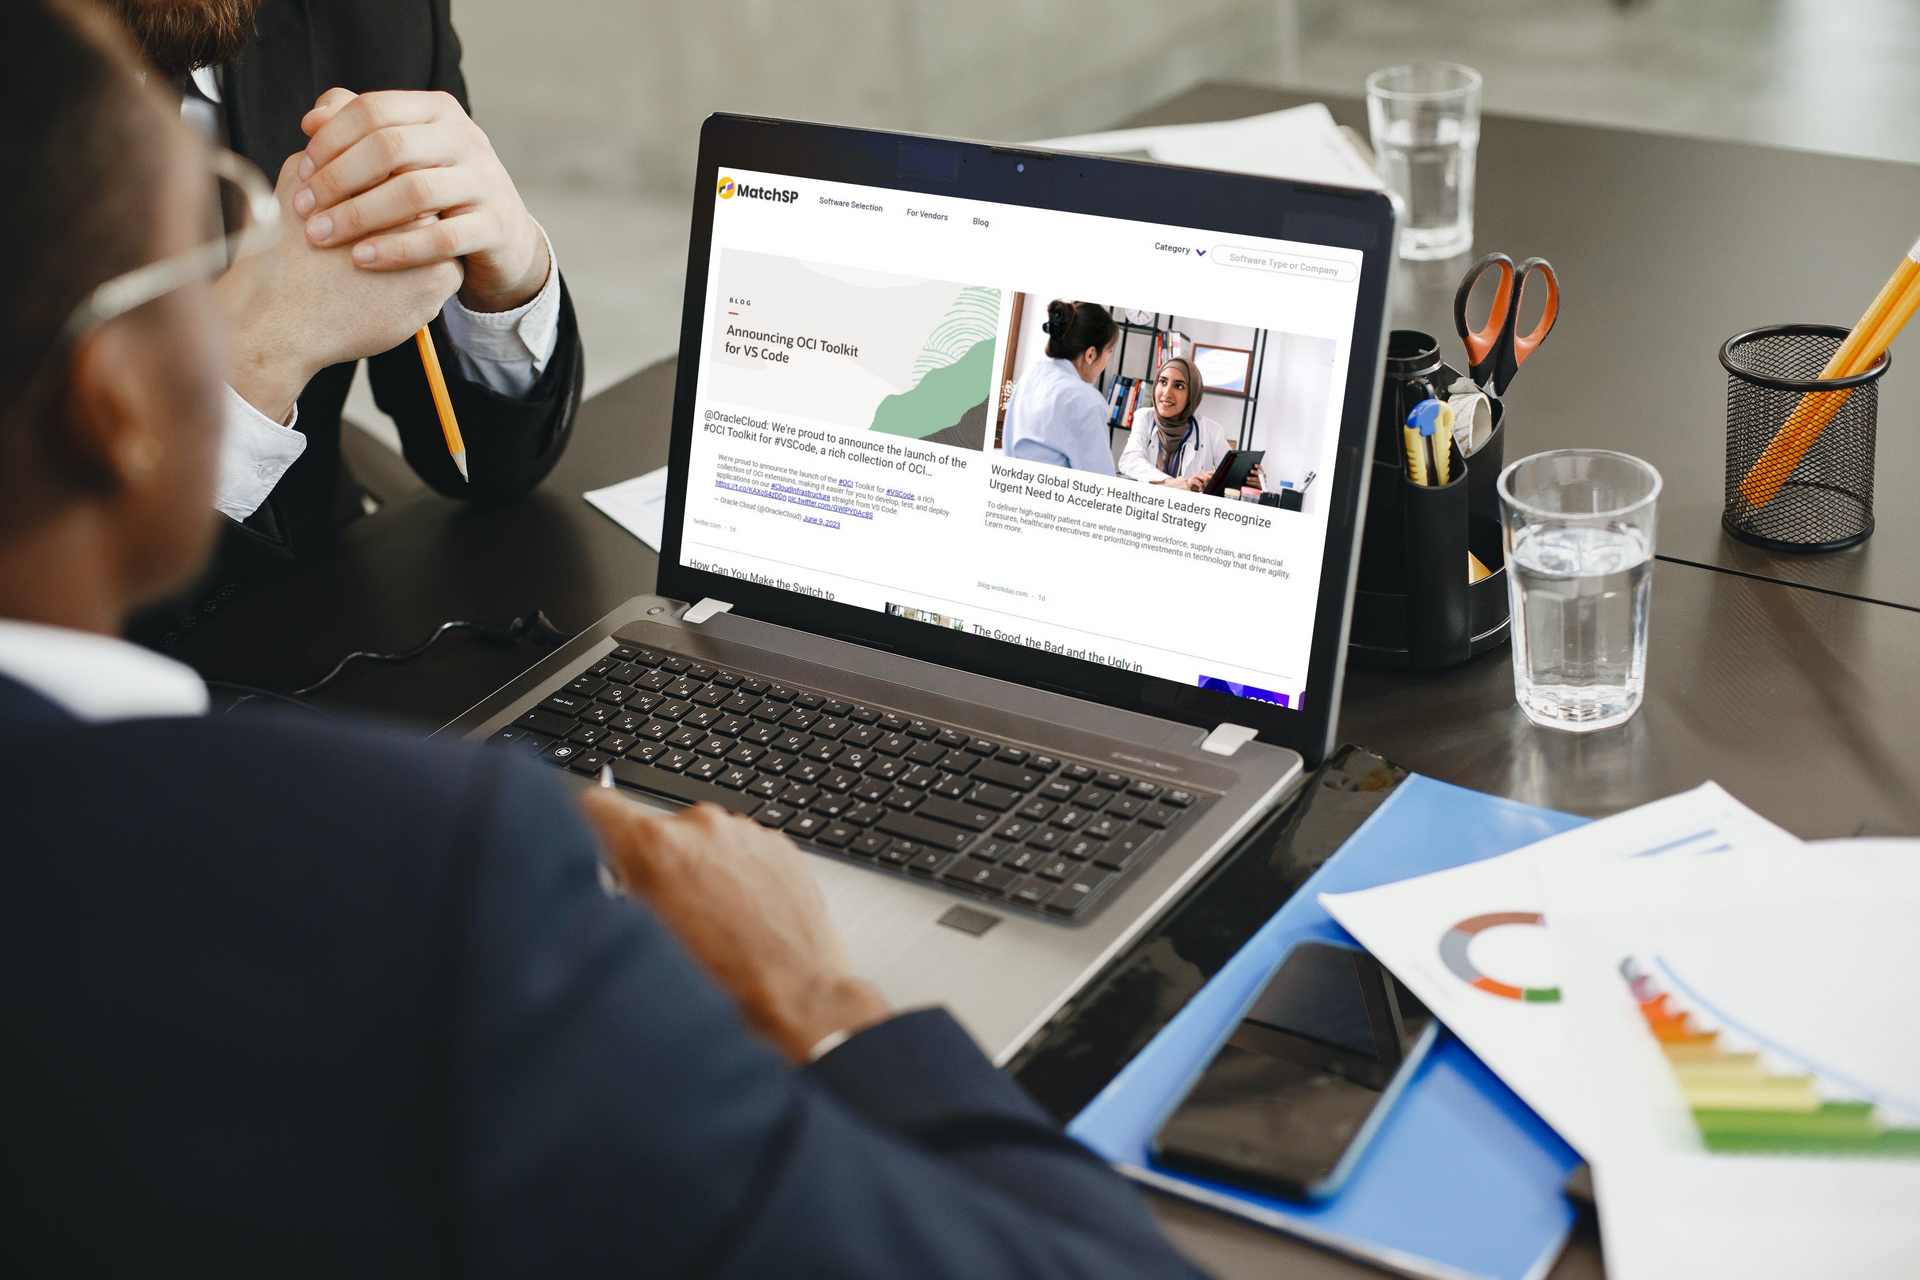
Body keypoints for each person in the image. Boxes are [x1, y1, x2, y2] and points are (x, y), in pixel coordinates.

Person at [0, 7, 1206, 1275]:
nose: (250, 228)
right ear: (116, 404)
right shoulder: (446, 879)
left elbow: (479, 454)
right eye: (214, 224)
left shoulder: (347, 14)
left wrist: (507, 273)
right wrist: (819, 1000)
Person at [100, 0, 585, 647]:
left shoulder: (379, 18)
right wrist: (257, 355)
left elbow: (489, 463)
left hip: (320, 607)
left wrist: (506, 281)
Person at [1001, 299, 1118, 474]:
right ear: (1091, 354)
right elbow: (1102, 483)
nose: (1108, 359)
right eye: (1108, 351)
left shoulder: (1033, 372)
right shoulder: (1087, 399)